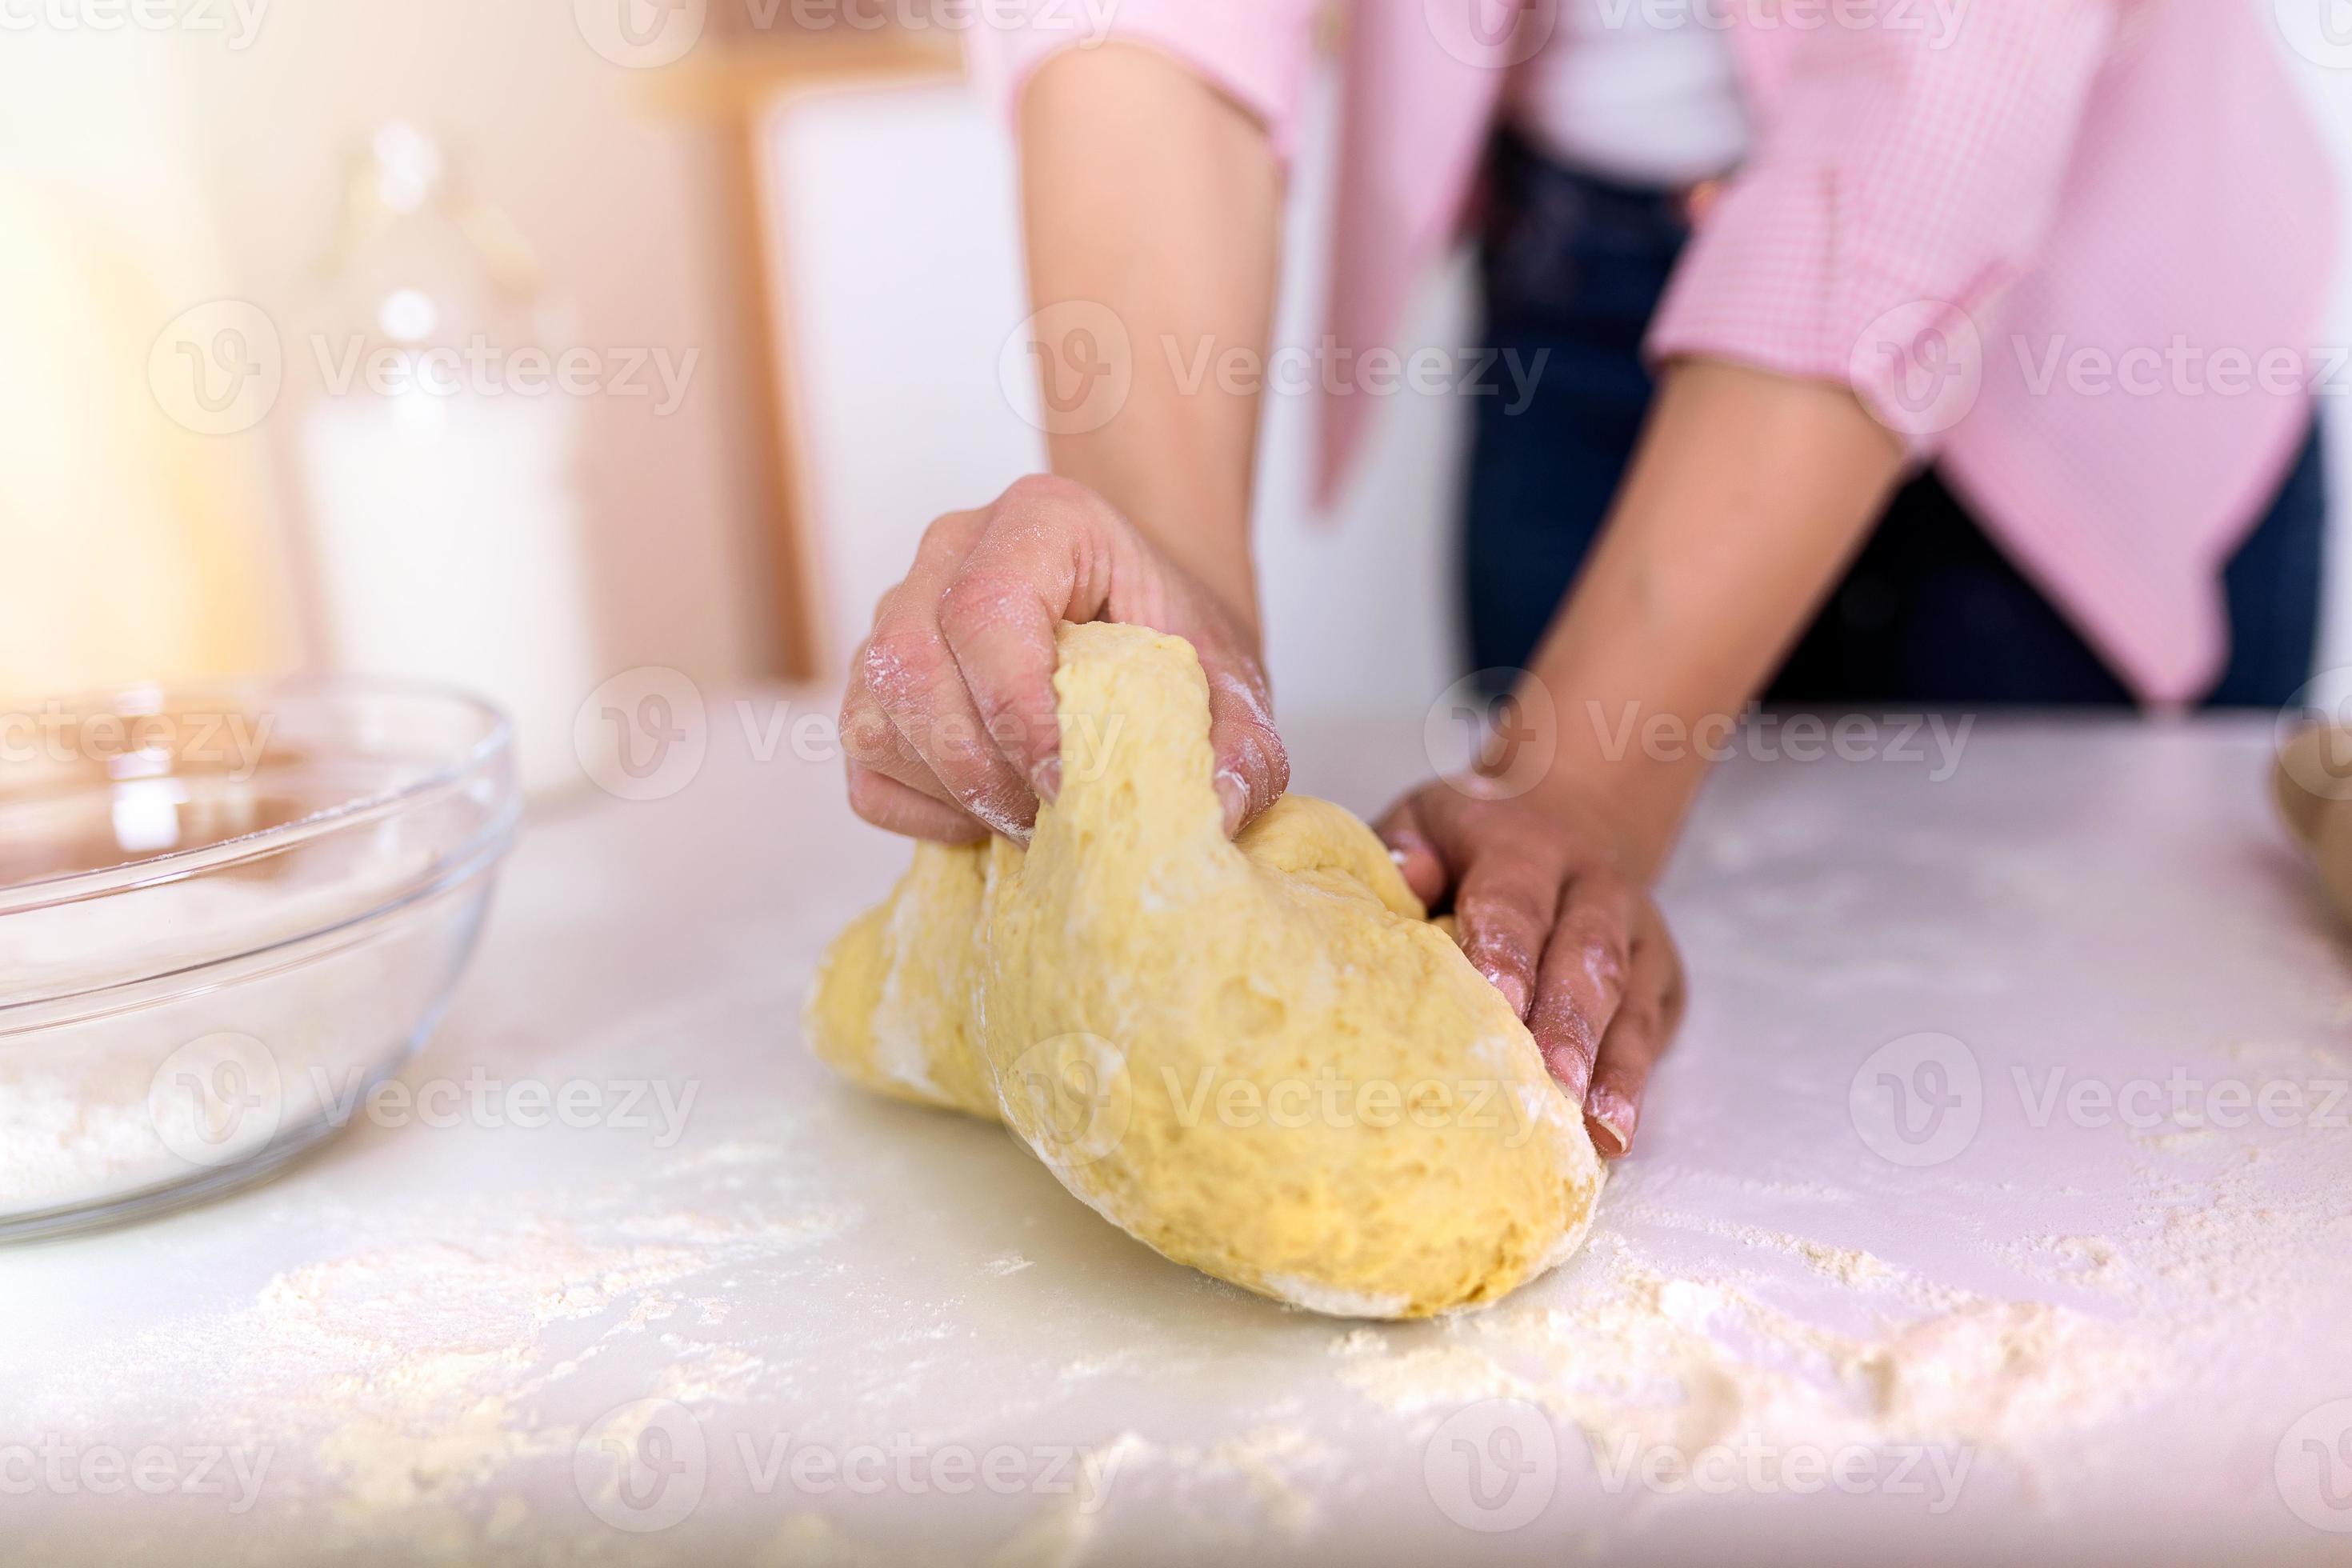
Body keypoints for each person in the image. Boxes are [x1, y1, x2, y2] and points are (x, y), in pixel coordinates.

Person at [834, 2, 2336, 1159]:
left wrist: (1586, 784)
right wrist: (1169, 606)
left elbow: (1939, 100)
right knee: (1529, 954)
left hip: (2079, 320)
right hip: (1573, 273)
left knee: (2054, 1092)